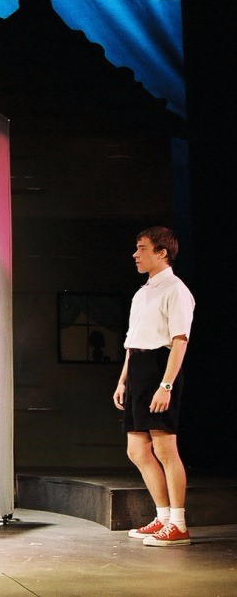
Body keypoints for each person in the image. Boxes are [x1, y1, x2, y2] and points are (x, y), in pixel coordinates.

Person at [113, 226, 195, 546]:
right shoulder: (142, 292)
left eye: (142, 248)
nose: (135, 254)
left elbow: (180, 340)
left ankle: (179, 524)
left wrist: (166, 385)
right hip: (138, 368)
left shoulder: (176, 289)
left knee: (164, 448)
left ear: (162, 253)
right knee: (136, 450)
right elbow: (132, 341)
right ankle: (162, 517)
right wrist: (123, 380)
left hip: (160, 367)